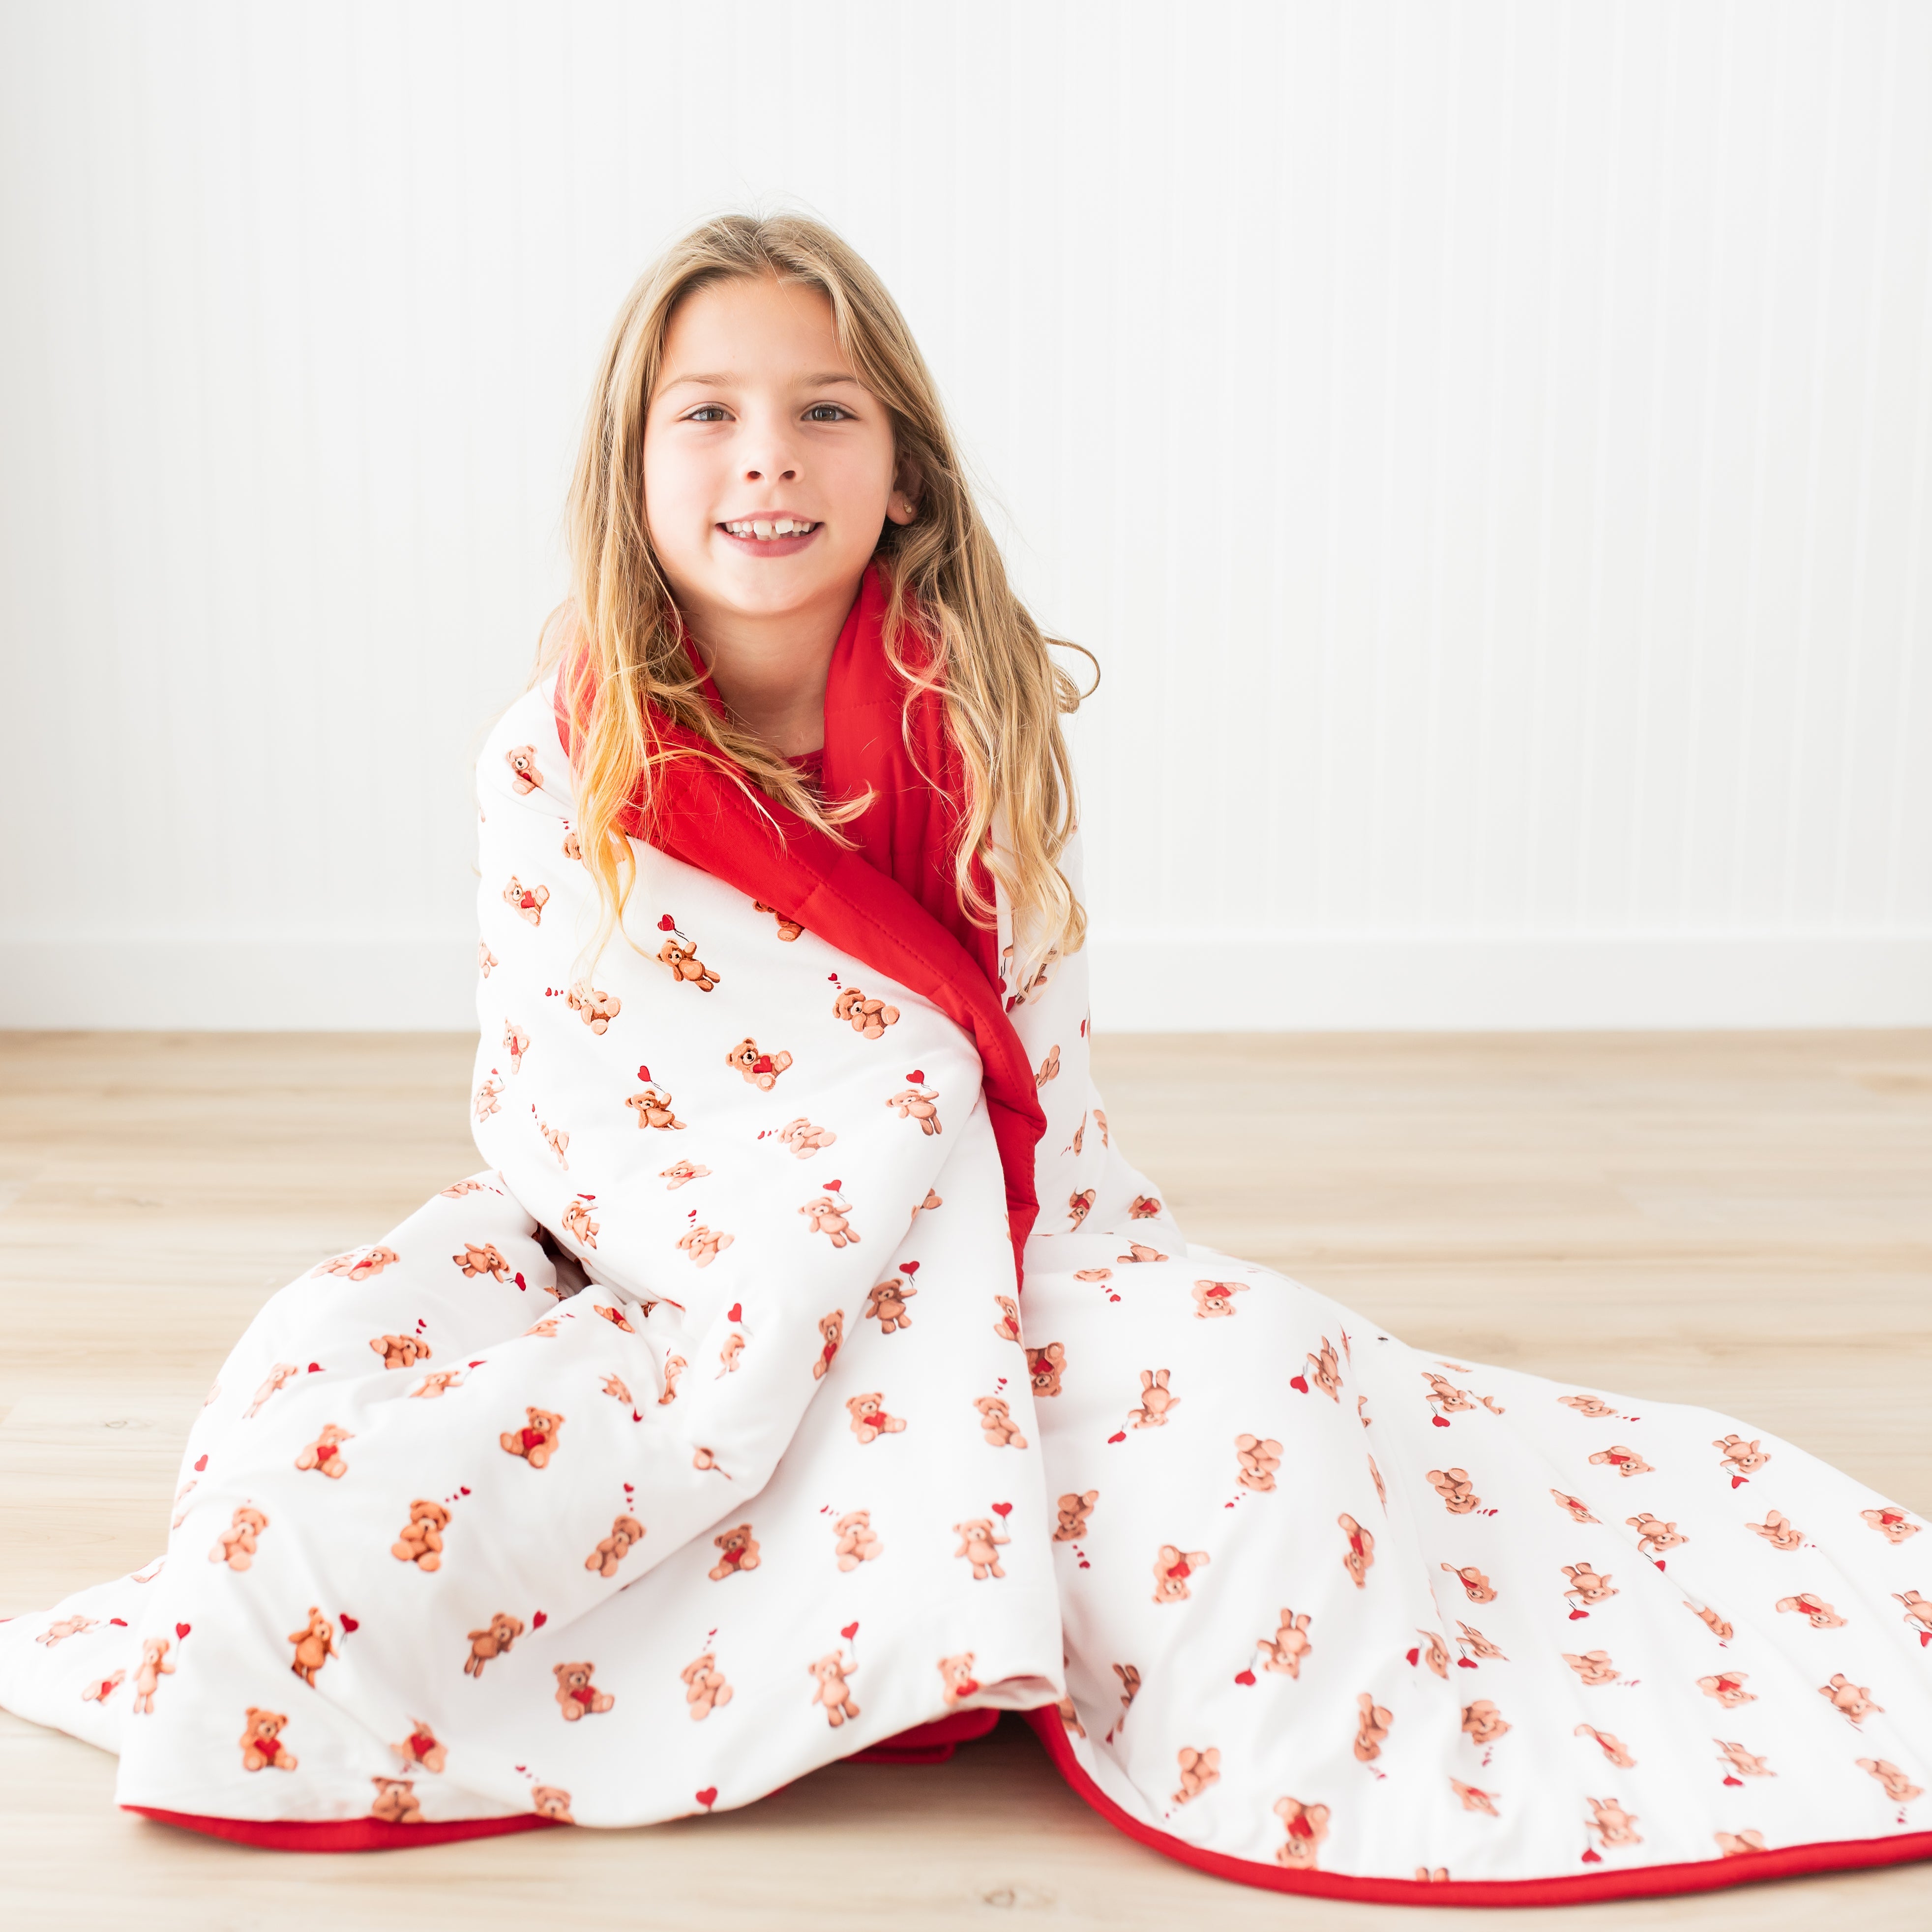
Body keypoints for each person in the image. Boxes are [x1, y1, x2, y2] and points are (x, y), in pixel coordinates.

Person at [2, 213, 1927, 1904]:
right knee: (308, 1459)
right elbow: (577, 1114)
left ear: (902, 470)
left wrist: (936, 1210)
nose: (768, 455)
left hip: (999, 1261)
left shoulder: (977, 726)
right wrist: (803, 1250)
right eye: (710, 411)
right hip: (655, 1271)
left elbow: (1030, 1107)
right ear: (632, 466)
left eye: (824, 409)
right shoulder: (552, 767)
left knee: (1254, 1400)